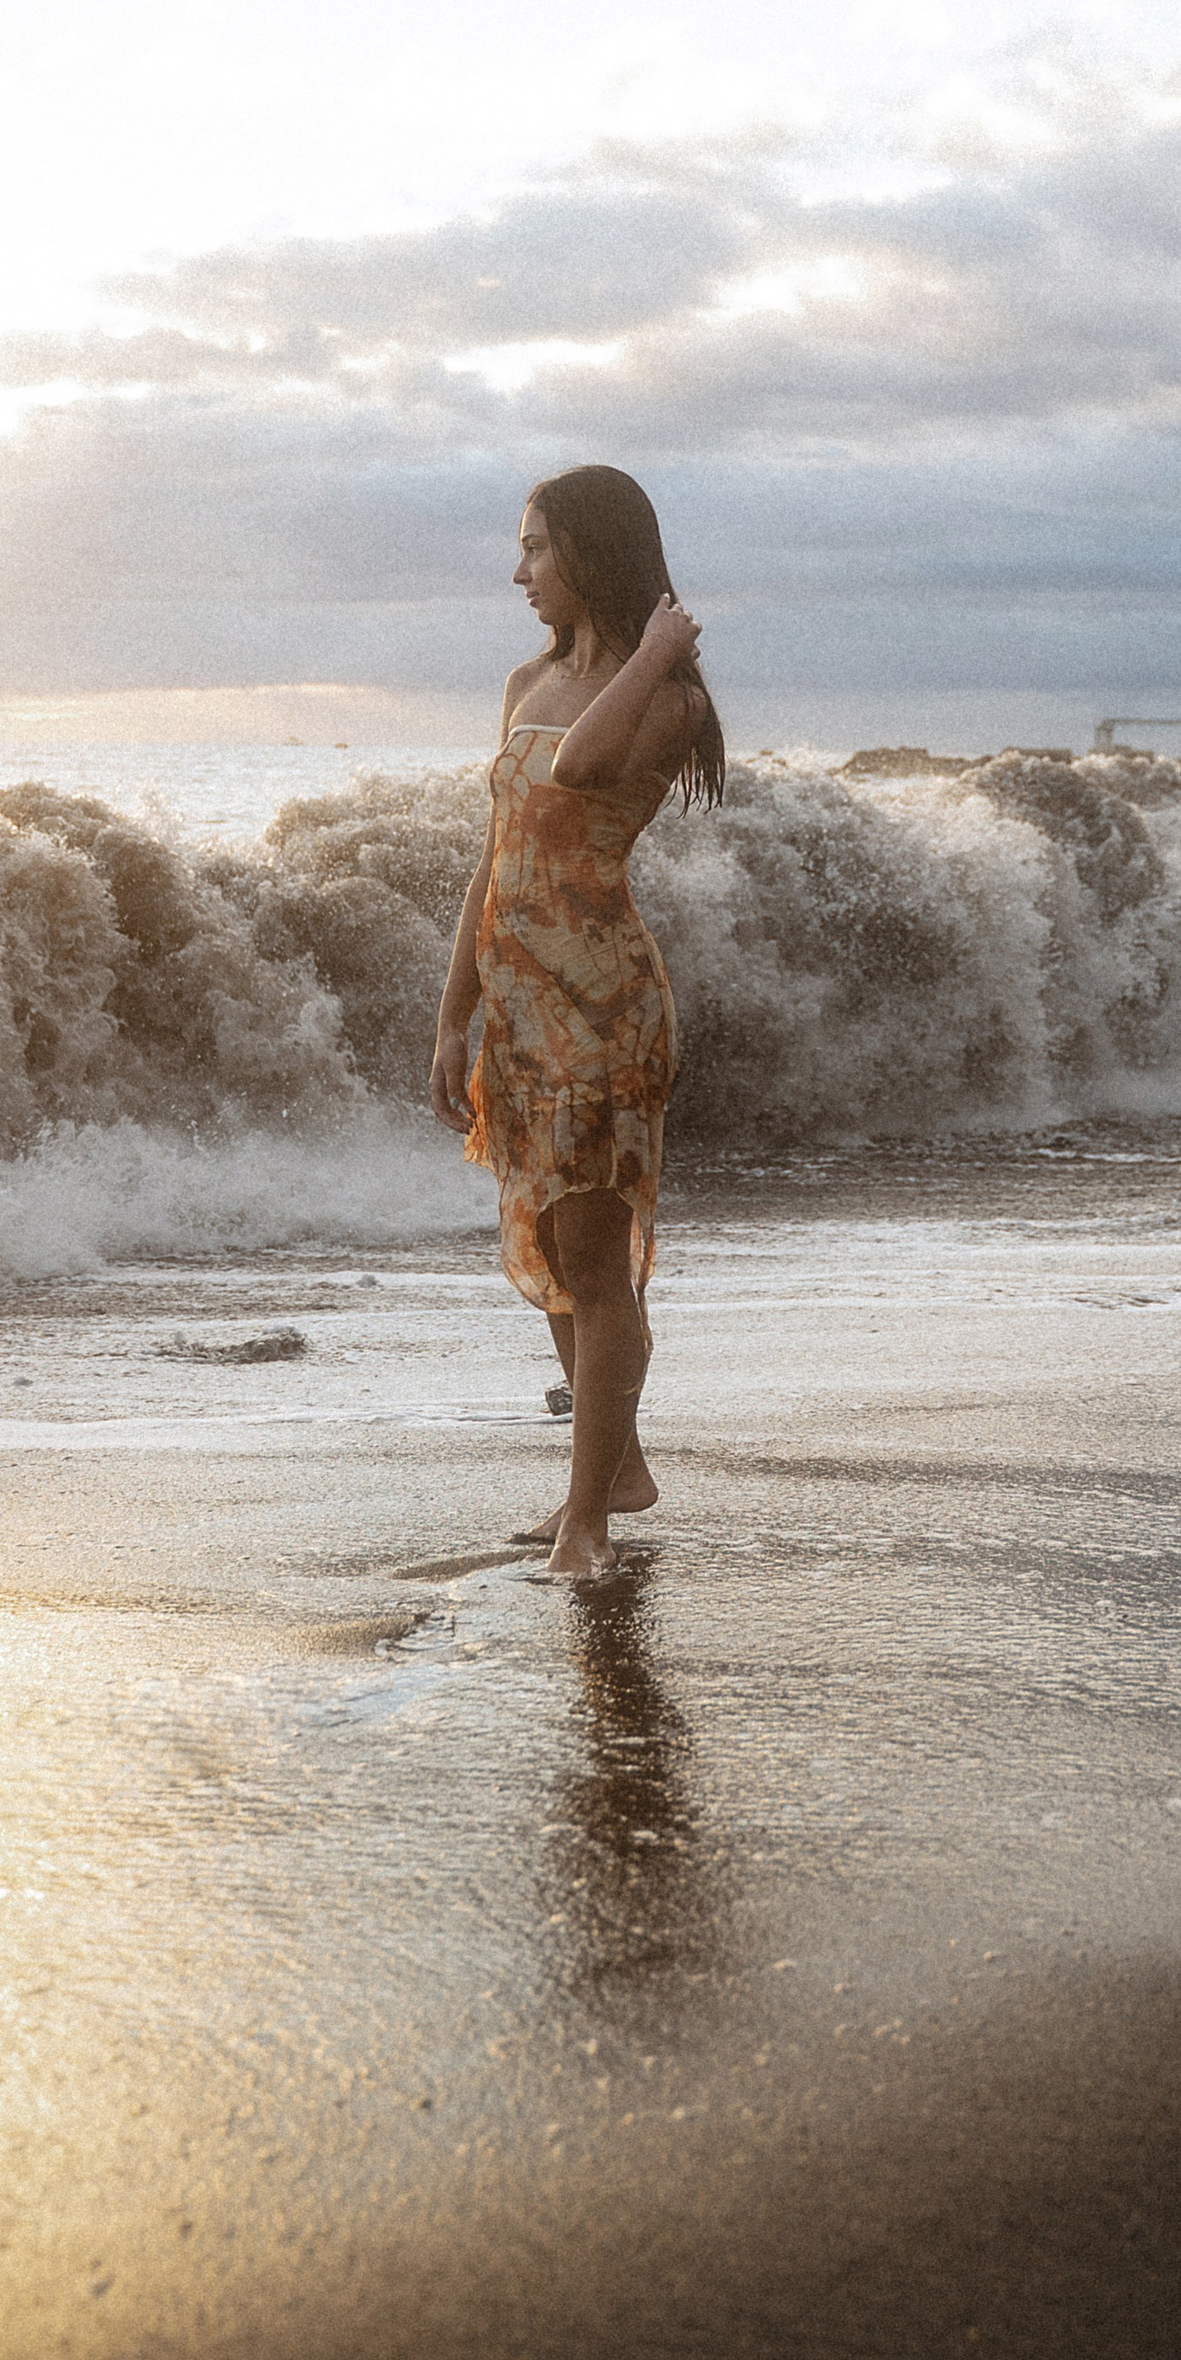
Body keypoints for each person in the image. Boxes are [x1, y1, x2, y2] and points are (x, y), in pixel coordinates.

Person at [428, 466, 726, 1579]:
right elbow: (496, 855)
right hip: (518, 1003)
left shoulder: (669, 701)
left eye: (537, 547)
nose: (519, 571)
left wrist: (651, 652)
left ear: (592, 554)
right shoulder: (526, 681)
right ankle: (619, 1469)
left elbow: (583, 765)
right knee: (555, 1248)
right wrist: (452, 1017)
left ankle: (585, 1521)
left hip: (604, 1007)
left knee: (597, 1264)